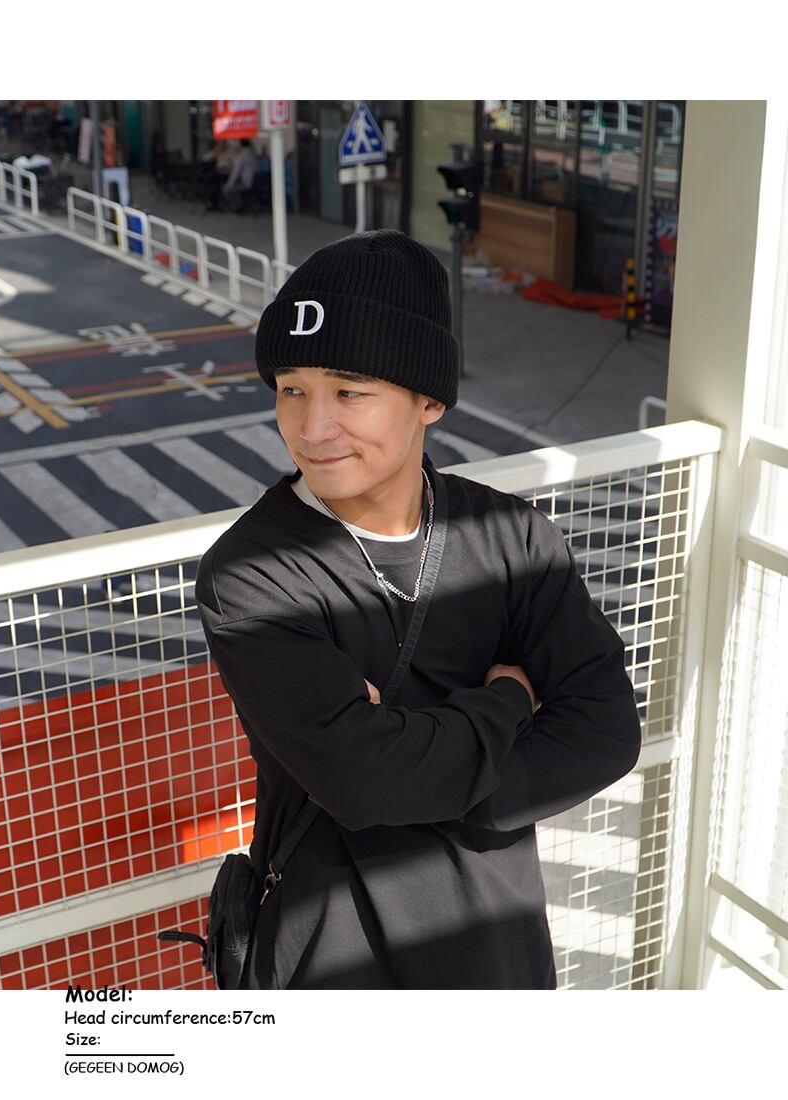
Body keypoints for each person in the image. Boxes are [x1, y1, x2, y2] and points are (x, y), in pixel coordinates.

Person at [194, 229, 642, 989]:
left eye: (349, 391)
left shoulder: (511, 537)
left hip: (495, 952)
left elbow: (605, 733)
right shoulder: (251, 574)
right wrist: (507, 704)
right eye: (291, 389)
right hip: (329, 956)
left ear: (429, 398)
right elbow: (363, 780)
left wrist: (402, 770)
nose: (312, 427)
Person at [221, 138, 258, 212]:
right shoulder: (253, 155)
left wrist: (228, 185)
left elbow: (235, 173)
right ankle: (240, 205)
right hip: (253, 182)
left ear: (240, 145)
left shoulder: (242, 156)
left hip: (245, 183)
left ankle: (237, 207)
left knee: (226, 189)